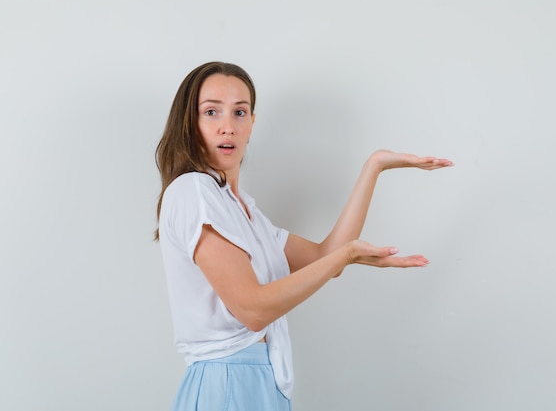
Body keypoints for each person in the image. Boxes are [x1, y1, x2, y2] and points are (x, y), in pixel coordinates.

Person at [155, 61, 453, 411]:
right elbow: (252, 309)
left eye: (240, 112)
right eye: (211, 112)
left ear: (253, 123)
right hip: (227, 384)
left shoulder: (243, 210)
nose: (227, 127)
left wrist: (374, 166)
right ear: (189, 123)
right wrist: (347, 255)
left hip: (263, 382)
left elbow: (327, 257)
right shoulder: (194, 190)